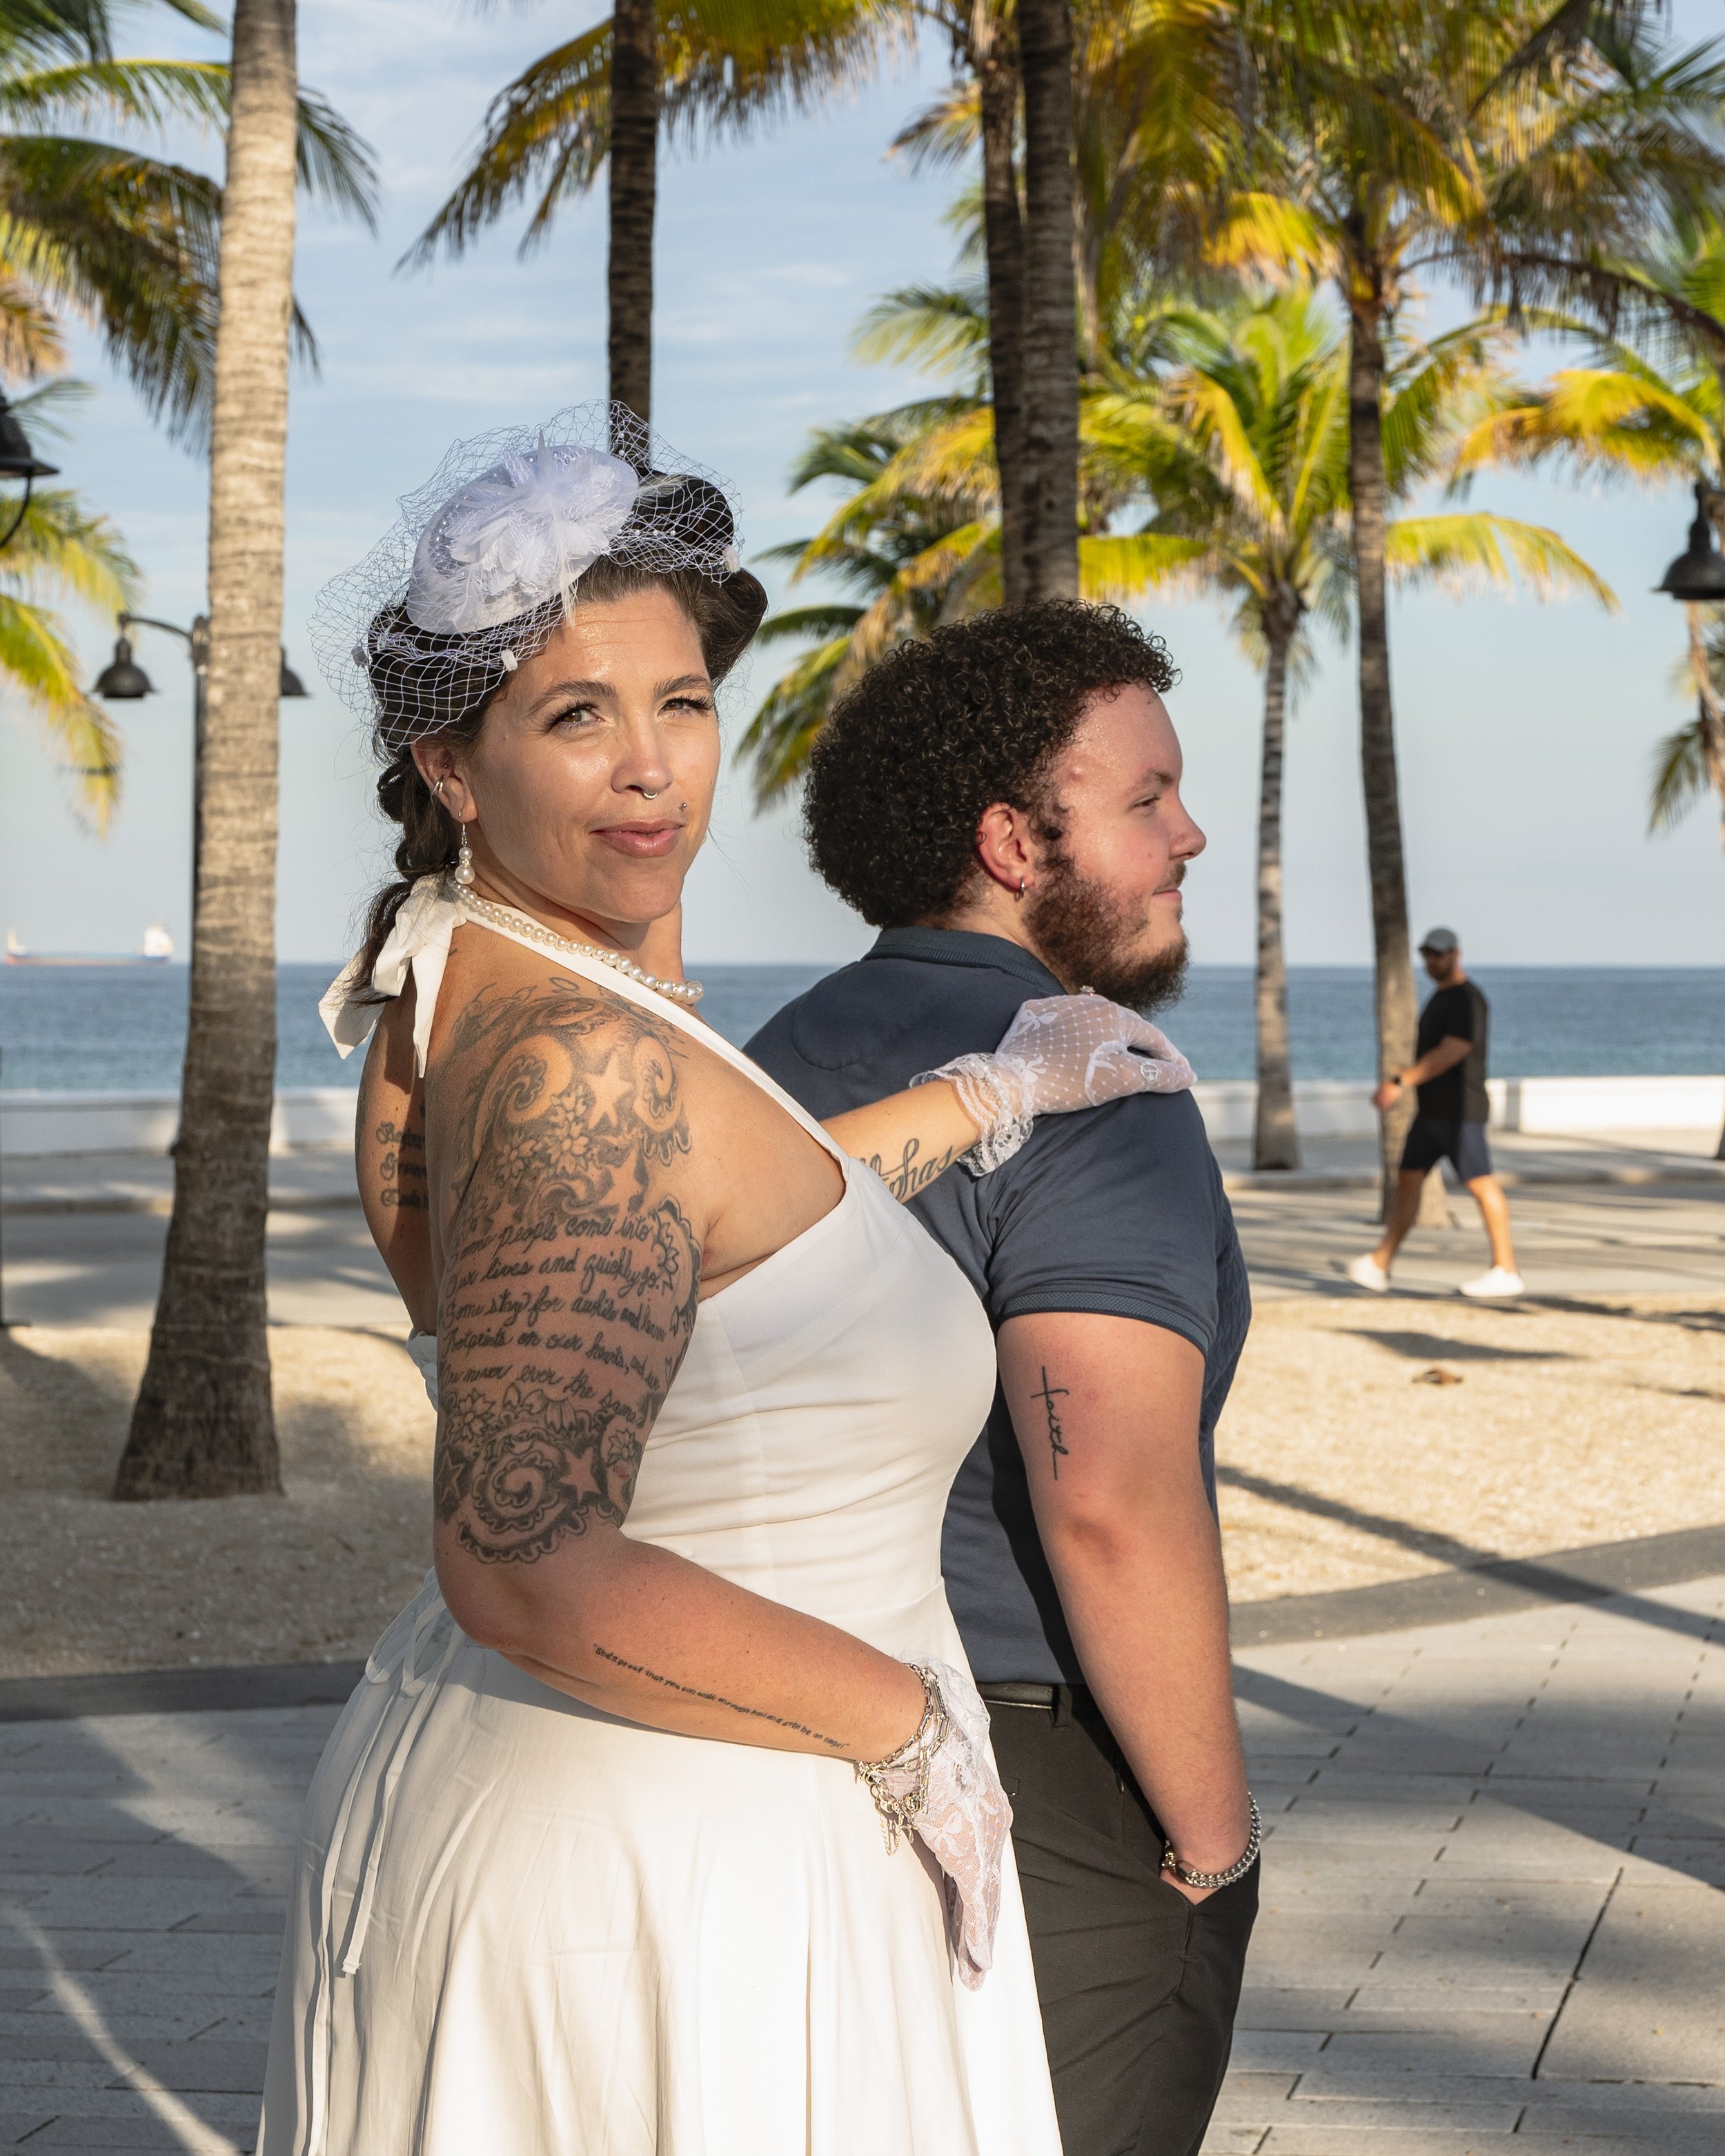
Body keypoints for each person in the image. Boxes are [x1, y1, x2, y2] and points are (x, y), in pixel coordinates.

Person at [259, 412, 1193, 2156]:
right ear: (452, 763)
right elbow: (524, 1560)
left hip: (622, 1796)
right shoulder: (573, 1067)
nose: (649, 769)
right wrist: (912, 1726)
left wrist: (989, 1093)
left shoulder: (461, 974)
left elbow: (726, 1221)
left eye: (680, 704)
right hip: (681, 1850)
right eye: (574, 714)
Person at [748, 601, 1259, 2156]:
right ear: (1010, 841)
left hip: (762, 1743)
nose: (1190, 834)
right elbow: (1103, 1496)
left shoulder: (769, 1056)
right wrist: (1210, 1831)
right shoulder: (1085, 1079)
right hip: (1024, 1770)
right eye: (1144, 799)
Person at [1346, 927, 1523, 1298]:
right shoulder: (1441, 998)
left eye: (1438, 954)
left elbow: (1454, 1050)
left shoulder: (1466, 999)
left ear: (1456, 955)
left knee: (1481, 1183)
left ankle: (1506, 1269)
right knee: (1408, 1181)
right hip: (1431, 1114)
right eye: (1427, 954)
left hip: (1461, 1112)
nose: (1432, 961)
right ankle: (1380, 1263)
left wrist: (1400, 1081)